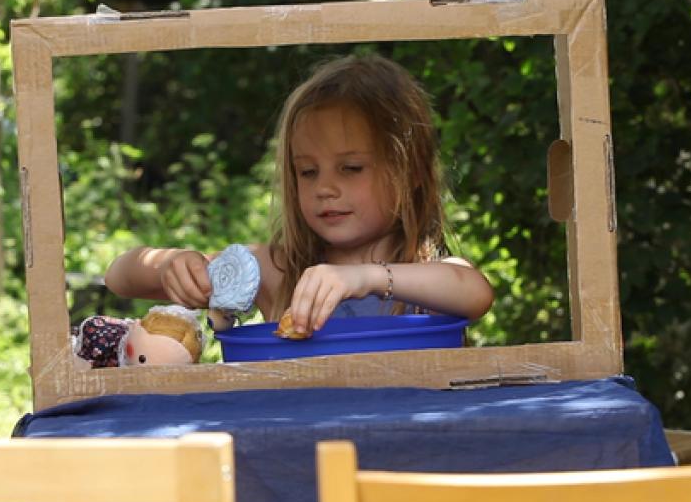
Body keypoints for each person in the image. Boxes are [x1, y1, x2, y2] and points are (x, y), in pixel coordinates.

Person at [105, 54, 494, 337]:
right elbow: (120, 275)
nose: (324, 188)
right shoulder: (276, 270)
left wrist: (366, 277)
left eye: (351, 168)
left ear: (410, 173)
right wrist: (175, 264)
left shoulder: (430, 280)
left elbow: (475, 292)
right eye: (307, 172)